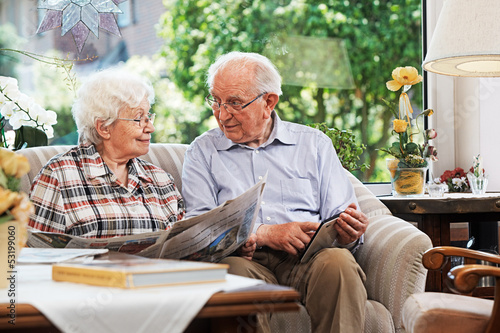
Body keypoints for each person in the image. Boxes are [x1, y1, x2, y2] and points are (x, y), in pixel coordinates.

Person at [181, 51, 369, 333]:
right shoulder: (202, 152)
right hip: (246, 262)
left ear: (268, 102)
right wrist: (263, 233)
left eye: (234, 103)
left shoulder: (314, 145)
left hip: (309, 260)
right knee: (233, 274)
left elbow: (341, 219)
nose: (222, 115)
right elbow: (200, 232)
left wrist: (350, 231)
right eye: (216, 102)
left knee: (339, 262)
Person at [28, 68, 185, 238]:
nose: (151, 128)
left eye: (149, 116)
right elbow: (34, 252)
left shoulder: (162, 181)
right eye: (139, 118)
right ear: (104, 127)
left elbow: (183, 246)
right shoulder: (58, 176)